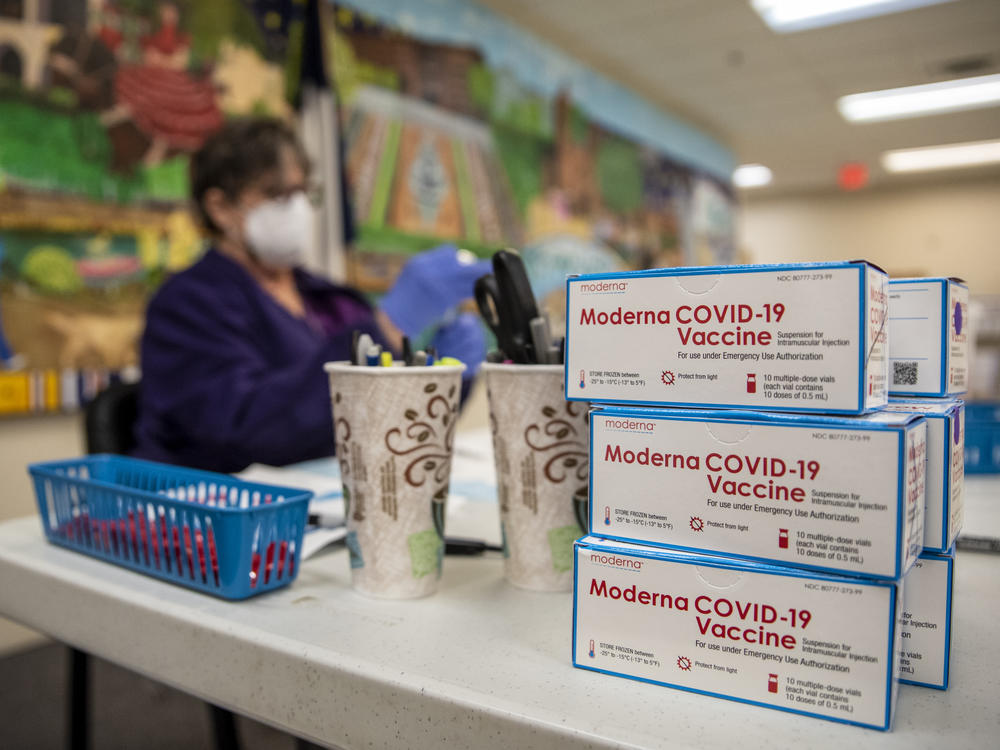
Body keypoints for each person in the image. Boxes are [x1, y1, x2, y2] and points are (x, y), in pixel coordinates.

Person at [133, 117, 488, 472]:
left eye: (304, 192)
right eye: (277, 195)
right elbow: (249, 430)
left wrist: (444, 376)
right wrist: (384, 331)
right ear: (220, 208)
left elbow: (395, 422)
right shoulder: (186, 307)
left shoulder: (330, 299)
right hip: (223, 512)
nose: (298, 208)